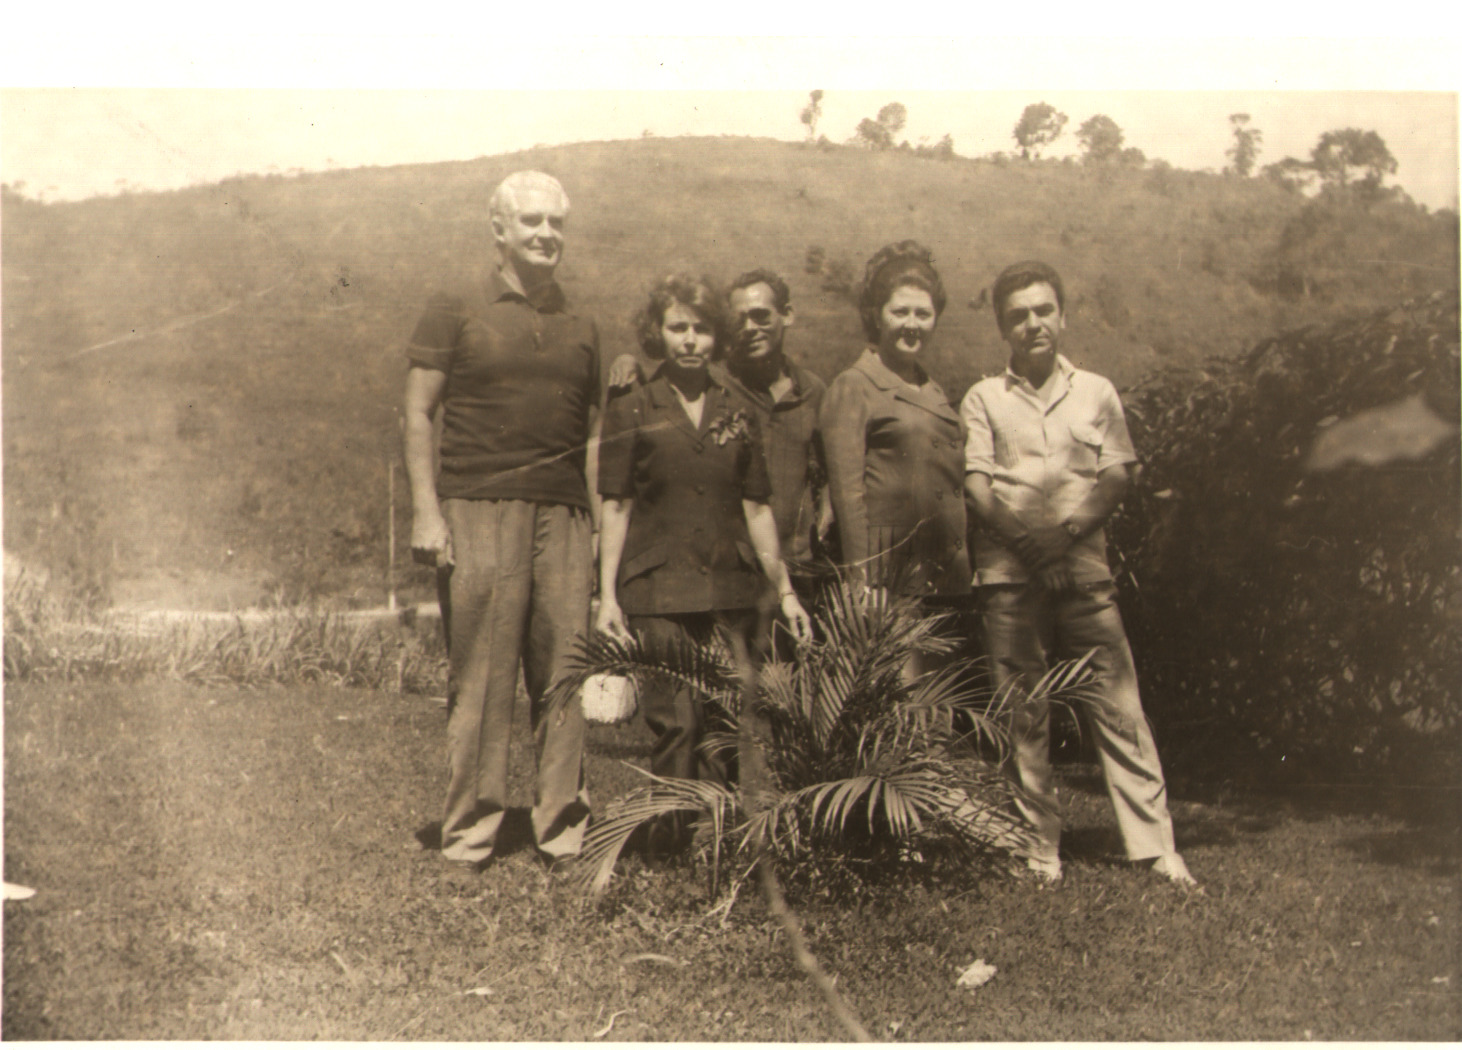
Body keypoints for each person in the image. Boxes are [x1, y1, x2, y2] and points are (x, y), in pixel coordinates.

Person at [961, 259, 1197, 887]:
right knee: (1023, 714)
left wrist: (1062, 540)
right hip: (1010, 580)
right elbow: (980, 491)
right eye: (1018, 315)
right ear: (1003, 328)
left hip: (1085, 574)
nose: (1032, 323)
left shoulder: (1097, 392)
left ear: (1062, 316)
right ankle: (1039, 853)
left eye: (1043, 310)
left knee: (1120, 708)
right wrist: (1034, 551)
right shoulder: (983, 398)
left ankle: (1154, 847)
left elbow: (1118, 475)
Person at [402, 170, 595, 871]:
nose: (547, 236)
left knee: (565, 671)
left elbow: (593, 434)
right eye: (532, 223)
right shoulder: (454, 306)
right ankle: (471, 831)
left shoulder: (580, 322)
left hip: (565, 513)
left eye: (557, 224)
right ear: (500, 230)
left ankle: (562, 826)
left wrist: (594, 525)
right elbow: (419, 410)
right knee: (482, 674)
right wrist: (428, 512)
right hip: (479, 506)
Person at [595, 274, 813, 791]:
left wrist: (784, 591)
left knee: (722, 720)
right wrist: (605, 597)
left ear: (718, 337)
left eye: (702, 329)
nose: (690, 340)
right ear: (657, 333)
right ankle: (668, 839)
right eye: (677, 328)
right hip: (658, 589)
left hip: (727, 587)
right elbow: (617, 505)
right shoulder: (632, 405)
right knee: (676, 721)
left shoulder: (737, 410)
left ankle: (712, 843)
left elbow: (757, 508)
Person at [820, 241, 971, 606]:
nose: (912, 324)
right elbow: (847, 494)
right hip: (888, 581)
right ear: (876, 315)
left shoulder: (934, 390)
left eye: (923, 314)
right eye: (900, 312)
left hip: (946, 576)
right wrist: (862, 580)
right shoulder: (854, 385)